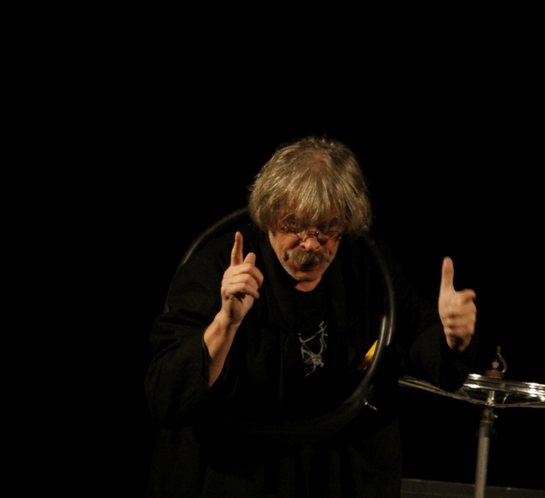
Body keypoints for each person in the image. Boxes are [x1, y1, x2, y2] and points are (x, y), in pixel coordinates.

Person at [145, 135, 477, 497]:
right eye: (294, 225)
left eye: (326, 229)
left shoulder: (365, 267)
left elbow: (417, 335)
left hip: (332, 467)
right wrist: (226, 322)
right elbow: (167, 396)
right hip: (237, 469)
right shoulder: (214, 268)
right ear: (269, 214)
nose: (310, 244)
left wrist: (453, 338)